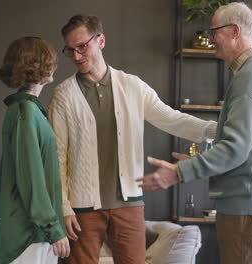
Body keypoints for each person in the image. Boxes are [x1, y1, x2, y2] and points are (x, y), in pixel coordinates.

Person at [48, 15, 217, 264]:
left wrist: (217, 130)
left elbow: (172, 119)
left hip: (129, 204)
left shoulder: (132, 86)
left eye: (82, 46)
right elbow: (56, 157)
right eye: (70, 50)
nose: (76, 56)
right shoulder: (63, 95)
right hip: (82, 208)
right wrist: (63, 208)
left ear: (101, 40)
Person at [137, 3, 252, 263]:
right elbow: (247, 144)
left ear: (234, 31)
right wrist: (200, 158)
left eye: (214, 31)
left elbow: (236, 148)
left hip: (246, 206)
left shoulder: (250, 77)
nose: (210, 39)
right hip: (248, 204)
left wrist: (177, 173)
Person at [0, 37, 69, 264]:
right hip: (25, 235)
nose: (55, 65)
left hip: (37, 233)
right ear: (39, 65)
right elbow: (31, 177)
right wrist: (53, 228)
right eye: (51, 61)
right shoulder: (24, 111)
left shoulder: (30, 110)